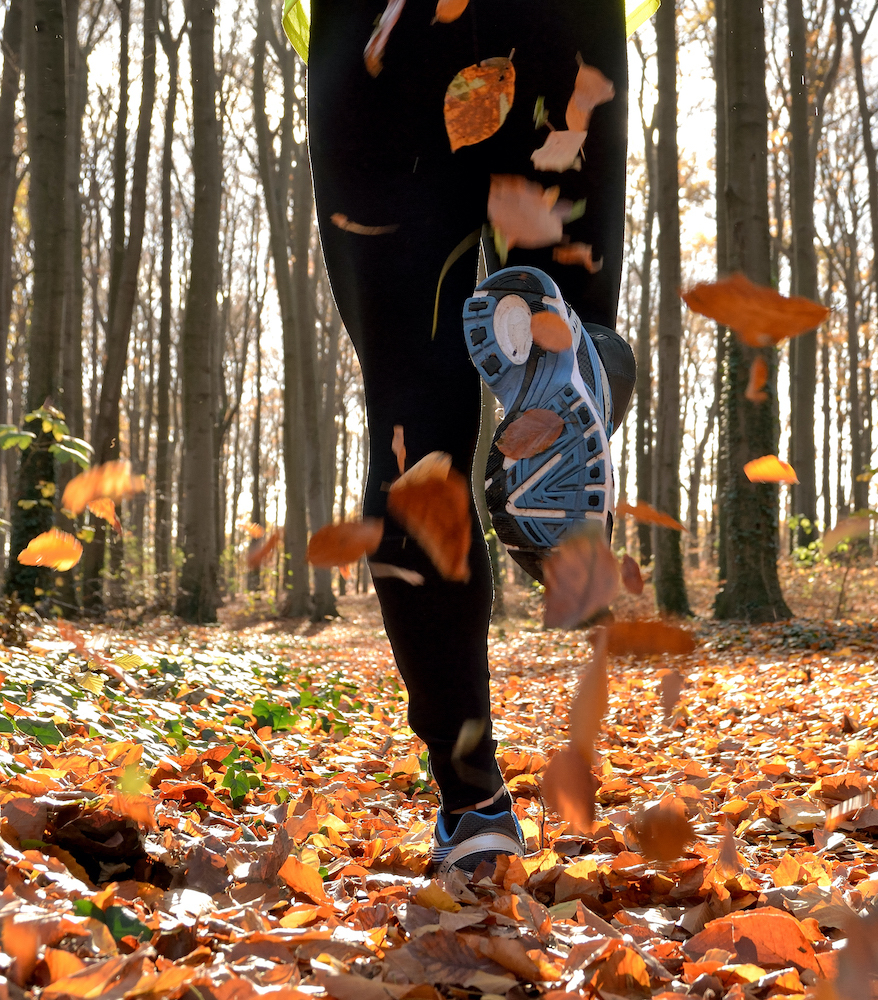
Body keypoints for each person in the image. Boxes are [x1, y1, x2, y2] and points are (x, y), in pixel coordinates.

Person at [304, 0, 636, 875]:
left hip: (381, 41)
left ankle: (474, 804)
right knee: (568, 331)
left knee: (418, 439)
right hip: (562, 28)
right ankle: (575, 405)